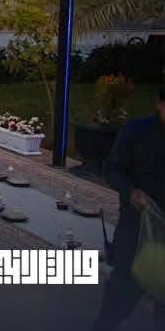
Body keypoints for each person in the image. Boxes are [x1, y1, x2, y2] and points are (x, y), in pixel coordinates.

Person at [91, 89, 165, 330]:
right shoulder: (136, 131)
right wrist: (131, 191)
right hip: (135, 223)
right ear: (159, 104)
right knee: (123, 288)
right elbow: (112, 169)